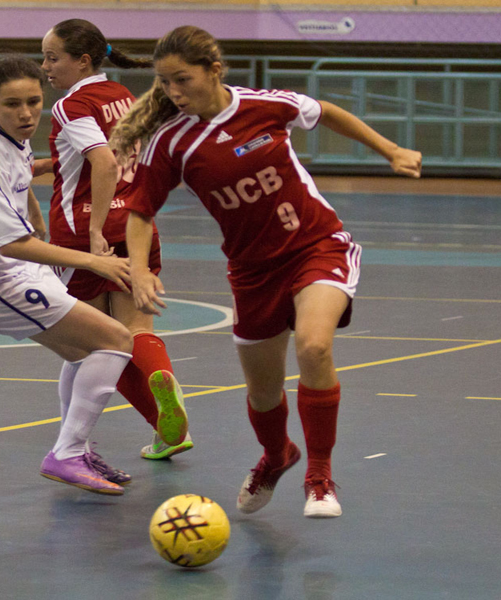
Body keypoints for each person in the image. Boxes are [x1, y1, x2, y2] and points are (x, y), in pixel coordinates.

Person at [111, 26, 422, 517]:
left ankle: (319, 477)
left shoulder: (265, 106)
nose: (174, 92)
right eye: (165, 83)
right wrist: (139, 269)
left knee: (314, 346)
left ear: (215, 70)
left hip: (316, 245)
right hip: (252, 271)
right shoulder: (171, 143)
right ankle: (277, 456)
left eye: (183, 79)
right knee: (263, 392)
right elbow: (140, 212)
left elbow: (326, 112)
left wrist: (391, 150)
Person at [0, 55, 137, 495]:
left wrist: (37, 199)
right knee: (116, 340)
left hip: (6, 270)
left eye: (34, 101)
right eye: (13, 104)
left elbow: (20, 171)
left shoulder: (8, 135)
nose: (26, 114)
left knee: (83, 352)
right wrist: (93, 261)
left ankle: (75, 450)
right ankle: (67, 453)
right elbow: (13, 243)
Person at [40, 19, 191, 463]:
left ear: (82, 61)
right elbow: (107, 152)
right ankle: (167, 406)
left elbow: (103, 162)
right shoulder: (121, 95)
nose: (45, 66)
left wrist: (93, 230)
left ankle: (80, 446)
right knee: (136, 330)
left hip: (85, 233)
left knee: (98, 343)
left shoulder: (71, 104)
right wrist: (52, 164)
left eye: (52, 57)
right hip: (135, 224)